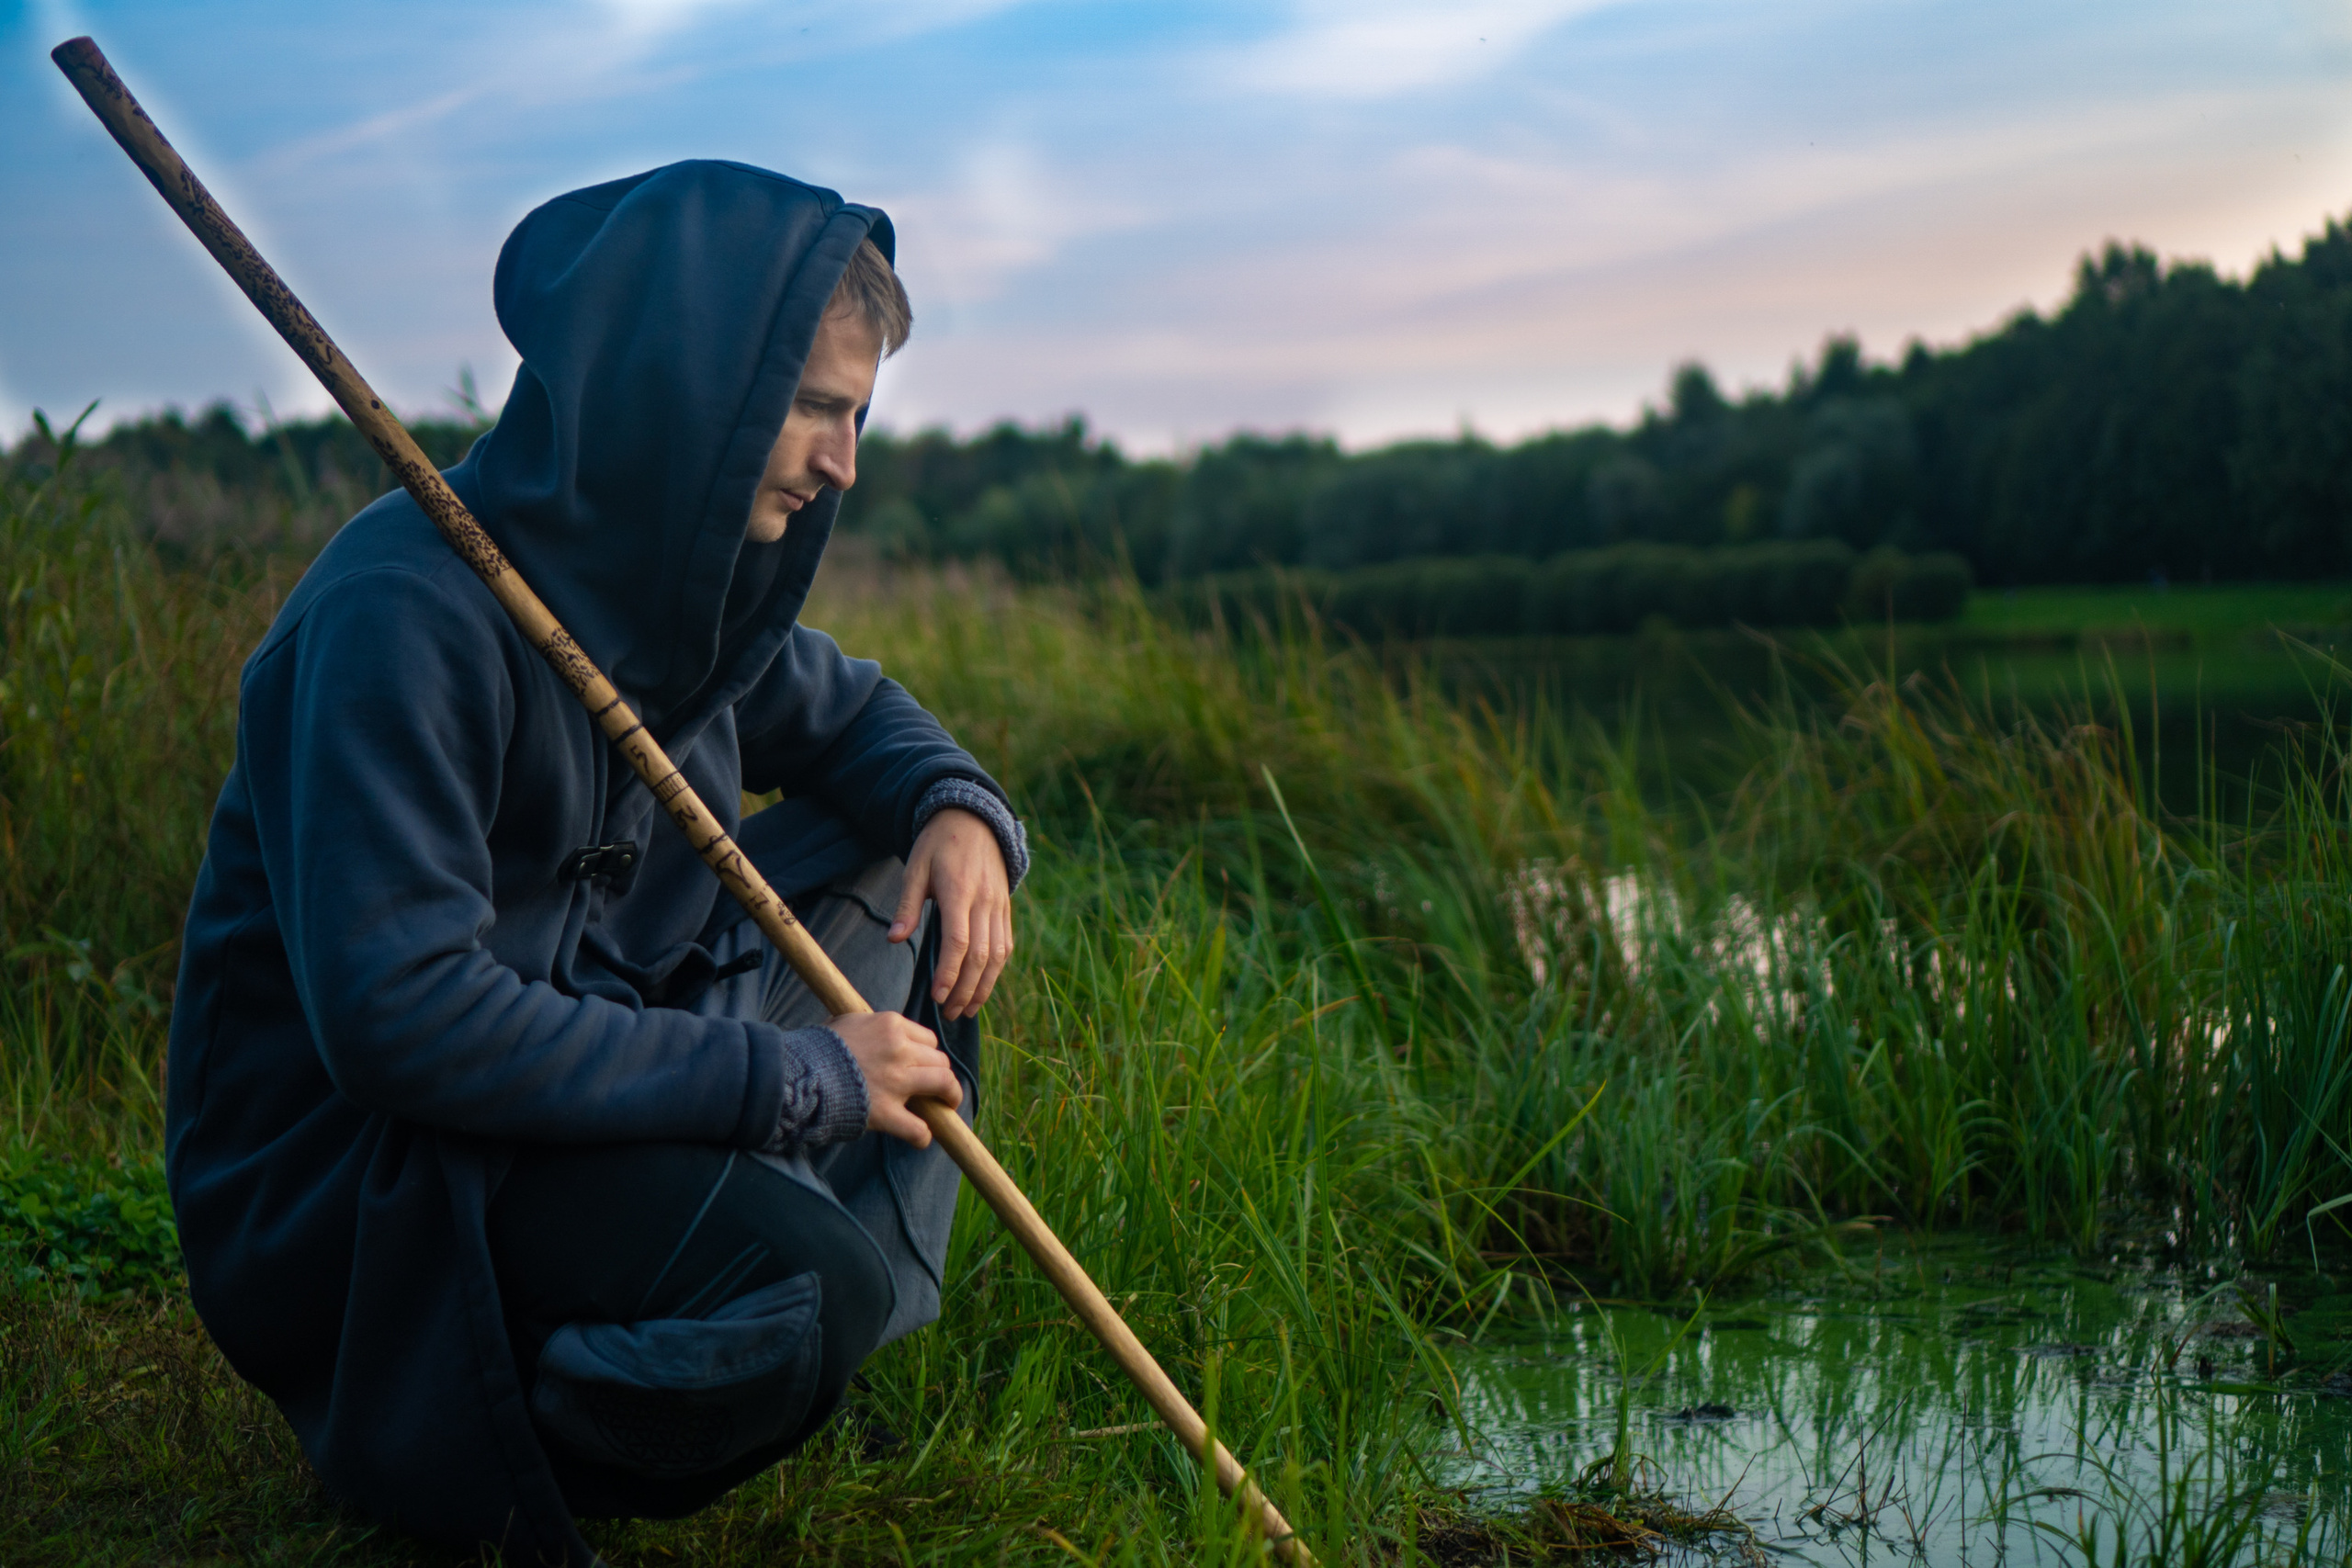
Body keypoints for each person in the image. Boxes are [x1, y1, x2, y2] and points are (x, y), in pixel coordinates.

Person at [164, 161, 1022, 1562]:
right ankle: (459, 1428)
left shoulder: (680, 602)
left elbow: (859, 714)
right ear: (684, 388)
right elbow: (406, 1023)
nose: (842, 464)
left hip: (594, 1065)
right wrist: (799, 1081)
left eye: (857, 415)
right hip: (381, 1181)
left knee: (905, 869)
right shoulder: (403, 612)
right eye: (813, 406)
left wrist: (959, 809)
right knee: (807, 1301)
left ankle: (721, 1284)